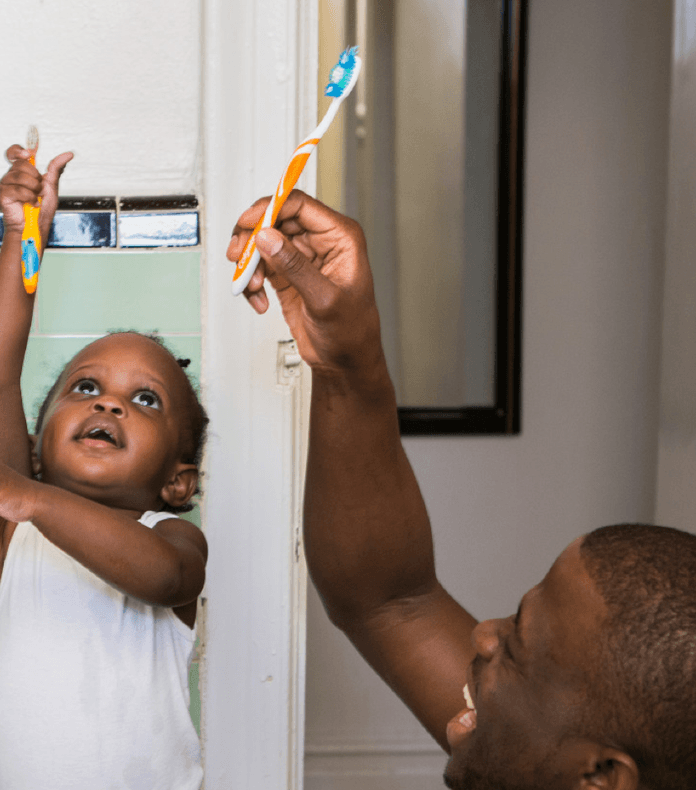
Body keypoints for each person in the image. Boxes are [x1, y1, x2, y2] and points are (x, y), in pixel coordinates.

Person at [228, 190, 696, 790]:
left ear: (601, 776)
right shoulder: (547, 753)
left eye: (518, 646)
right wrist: (349, 363)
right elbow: (390, 600)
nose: (481, 633)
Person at [0, 143, 208, 790]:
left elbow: (164, 578)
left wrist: (28, 497)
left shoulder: (173, 537)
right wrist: (22, 236)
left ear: (177, 480)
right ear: (34, 443)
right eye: (84, 388)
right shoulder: (10, 535)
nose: (108, 400)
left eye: (144, 400)